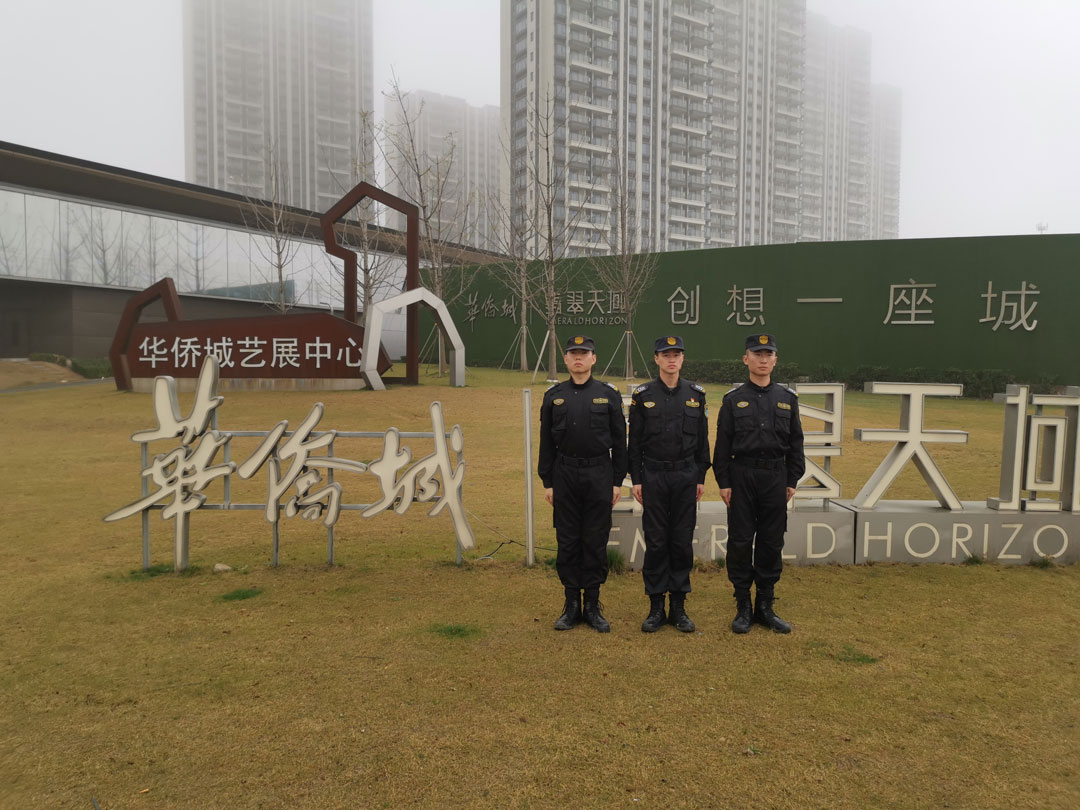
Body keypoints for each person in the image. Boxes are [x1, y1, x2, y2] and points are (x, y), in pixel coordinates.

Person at [712, 334, 804, 634]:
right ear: (746, 359)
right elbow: (722, 446)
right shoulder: (733, 399)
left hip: (775, 478)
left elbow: (796, 443)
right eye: (757, 354)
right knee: (740, 542)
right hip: (742, 477)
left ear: (776, 359)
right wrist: (724, 482)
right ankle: (743, 605)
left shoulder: (787, 399)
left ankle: (765, 605)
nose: (763, 359)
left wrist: (792, 479)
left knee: (771, 541)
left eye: (768, 354)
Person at [538, 335, 628, 632]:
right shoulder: (554, 396)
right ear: (565, 359)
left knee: (594, 539)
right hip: (564, 474)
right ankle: (571, 606)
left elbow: (620, 442)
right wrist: (548, 481)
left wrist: (617, 481)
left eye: (584, 353)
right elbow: (546, 443)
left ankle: (592, 605)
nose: (578, 358)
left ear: (593, 359)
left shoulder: (608, 394)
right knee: (567, 540)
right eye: (573, 353)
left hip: (599, 473)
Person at [627, 336, 710, 633]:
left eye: (676, 354)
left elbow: (702, 441)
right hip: (653, 476)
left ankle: (678, 606)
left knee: (681, 541)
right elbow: (634, 443)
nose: (671, 359)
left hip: (686, 476)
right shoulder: (643, 395)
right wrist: (637, 479)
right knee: (656, 541)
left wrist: (700, 477)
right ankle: (655, 607)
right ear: (657, 359)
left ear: (682, 359)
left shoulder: (695, 395)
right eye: (666, 354)